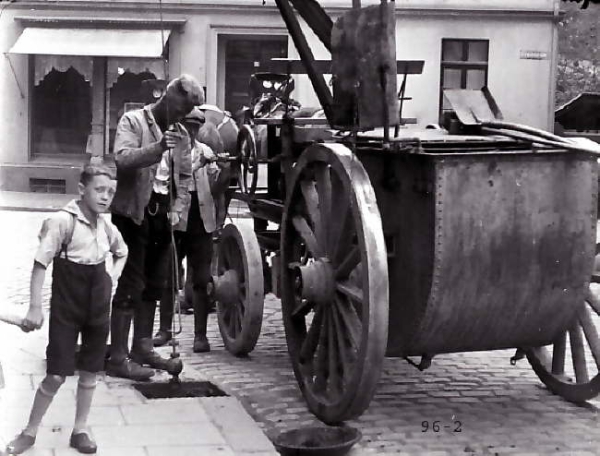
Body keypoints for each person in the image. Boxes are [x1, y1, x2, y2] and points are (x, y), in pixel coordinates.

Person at [5, 164, 128, 455]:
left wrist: (112, 277)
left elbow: (121, 252)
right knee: (56, 374)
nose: (105, 197)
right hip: (67, 306)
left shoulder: (106, 226)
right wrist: (35, 307)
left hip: (98, 308)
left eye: (110, 192)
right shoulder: (62, 222)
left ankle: (80, 430)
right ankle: (29, 431)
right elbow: (39, 265)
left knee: (90, 372)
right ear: (82, 189)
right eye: (99, 190)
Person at [105, 74, 203, 380]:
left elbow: (185, 178)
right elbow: (121, 160)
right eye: (176, 111)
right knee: (131, 283)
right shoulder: (132, 122)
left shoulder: (182, 134)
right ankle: (119, 357)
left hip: (164, 218)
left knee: (155, 284)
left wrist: (178, 209)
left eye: (184, 114)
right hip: (133, 214)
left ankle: (143, 348)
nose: (179, 118)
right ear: (167, 97)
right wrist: (159, 147)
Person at [153, 108, 225, 353]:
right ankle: (164, 330)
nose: (191, 132)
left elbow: (215, 188)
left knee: (202, 278)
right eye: (187, 126)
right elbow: (170, 180)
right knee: (169, 275)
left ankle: (200, 336)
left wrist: (225, 171)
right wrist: (199, 164)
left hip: (201, 221)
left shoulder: (206, 152)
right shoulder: (170, 152)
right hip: (177, 219)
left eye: (195, 127)